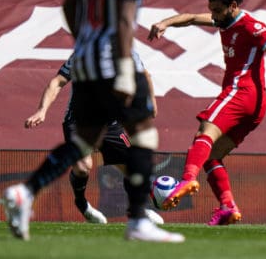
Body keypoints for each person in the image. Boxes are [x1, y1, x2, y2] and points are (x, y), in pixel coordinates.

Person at [4, 0, 184, 242]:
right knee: (145, 132)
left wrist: (84, 39)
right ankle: (137, 221)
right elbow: (125, 20)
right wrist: (123, 69)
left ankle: (26, 192)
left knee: (85, 142)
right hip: (113, 62)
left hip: (85, 61)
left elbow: (69, 4)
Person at [147, 0, 266, 225]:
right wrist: (165, 23)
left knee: (203, 134)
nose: (213, 15)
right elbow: (192, 18)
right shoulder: (224, 20)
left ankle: (186, 180)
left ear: (233, 6)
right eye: (212, 9)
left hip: (242, 92)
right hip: (256, 106)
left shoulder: (251, 26)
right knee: (211, 157)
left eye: (217, 10)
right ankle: (227, 206)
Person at [24, 52, 164, 226]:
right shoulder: (83, 54)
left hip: (111, 124)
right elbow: (57, 81)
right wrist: (42, 110)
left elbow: (145, 75)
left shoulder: (129, 53)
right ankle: (81, 203)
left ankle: (137, 211)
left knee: (133, 167)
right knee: (83, 167)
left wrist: (151, 102)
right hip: (79, 121)